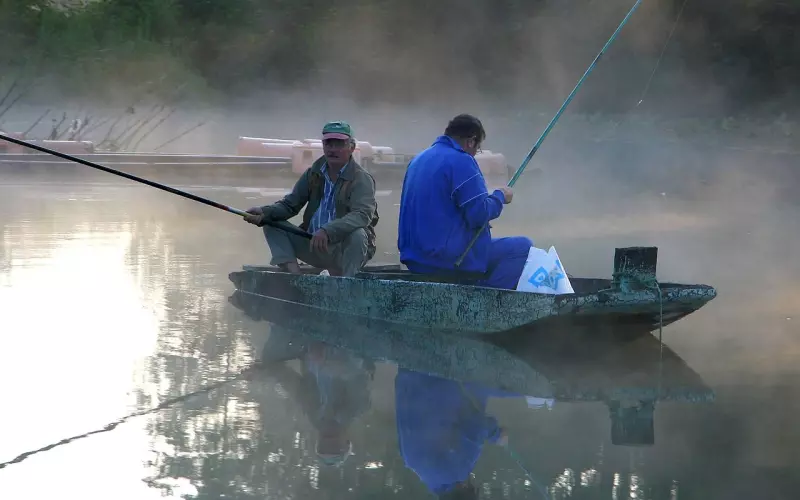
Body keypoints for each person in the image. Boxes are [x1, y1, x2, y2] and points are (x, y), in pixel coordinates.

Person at [397, 114, 532, 290]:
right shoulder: (462, 161)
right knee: (524, 247)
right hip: (446, 260)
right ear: (470, 141)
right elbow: (479, 214)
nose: (476, 153)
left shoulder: (418, 160)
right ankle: (483, 302)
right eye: (478, 148)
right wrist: (500, 196)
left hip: (415, 259)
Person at [244, 121, 379, 277]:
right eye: (328, 143)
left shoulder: (361, 179)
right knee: (271, 222)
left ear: (351, 147)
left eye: (339, 144)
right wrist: (263, 211)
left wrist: (327, 231)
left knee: (358, 234)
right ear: (323, 145)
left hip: (344, 249)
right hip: (314, 244)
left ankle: (347, 283)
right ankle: (295, 276)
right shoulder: (313, 173)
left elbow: (362, 216)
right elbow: (289, 206)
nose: (333, 149)